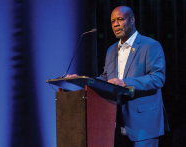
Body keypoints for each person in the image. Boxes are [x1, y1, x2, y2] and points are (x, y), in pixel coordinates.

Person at [66, 6, 169, 147]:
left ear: (132, 20)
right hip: (116, 121)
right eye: (113, 21)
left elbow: (157, 78)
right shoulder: (111, 49)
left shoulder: (150, 45)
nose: (115, 24)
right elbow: (106, 78)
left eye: (120, 19)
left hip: (143, 123)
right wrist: (83, 81)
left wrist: (125, 83)